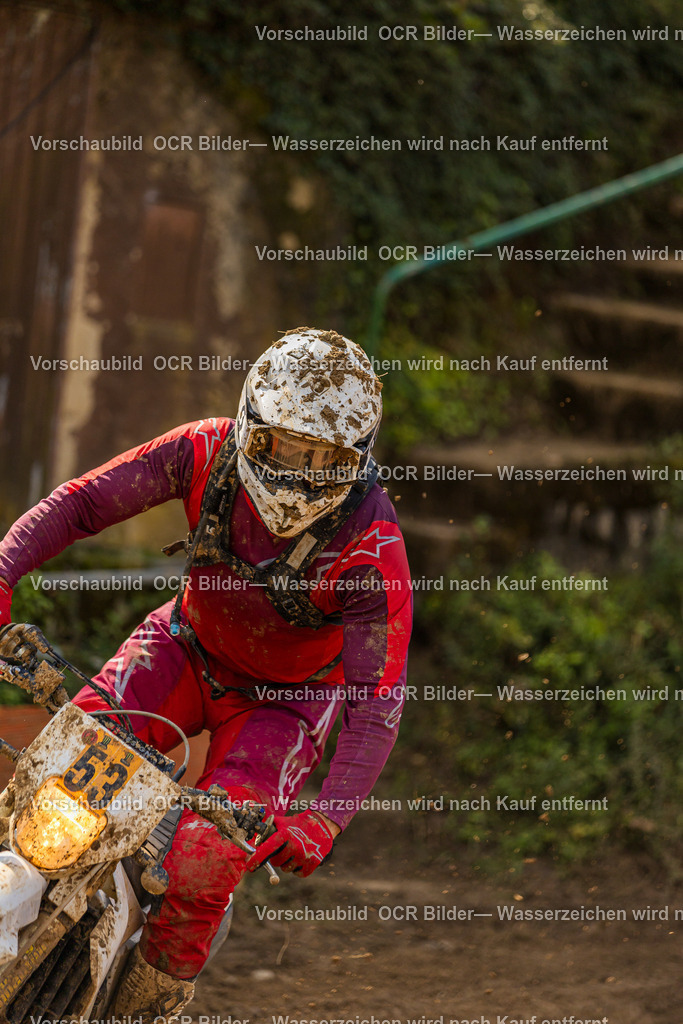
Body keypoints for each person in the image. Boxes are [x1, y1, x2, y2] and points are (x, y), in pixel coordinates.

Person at [0, 327, 412, 1021]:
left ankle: (145, 1008)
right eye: (285, 448)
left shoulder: (373, 551)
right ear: (251, 426)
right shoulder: (201, 451)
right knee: (56, 787)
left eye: (324, 459)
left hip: (285, 708)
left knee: (205, 860)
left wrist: (325, 820)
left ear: (359, 461)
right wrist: (3, 570)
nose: (298, 475)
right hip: (181, 648)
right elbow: (79, 504)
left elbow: (375, 703)